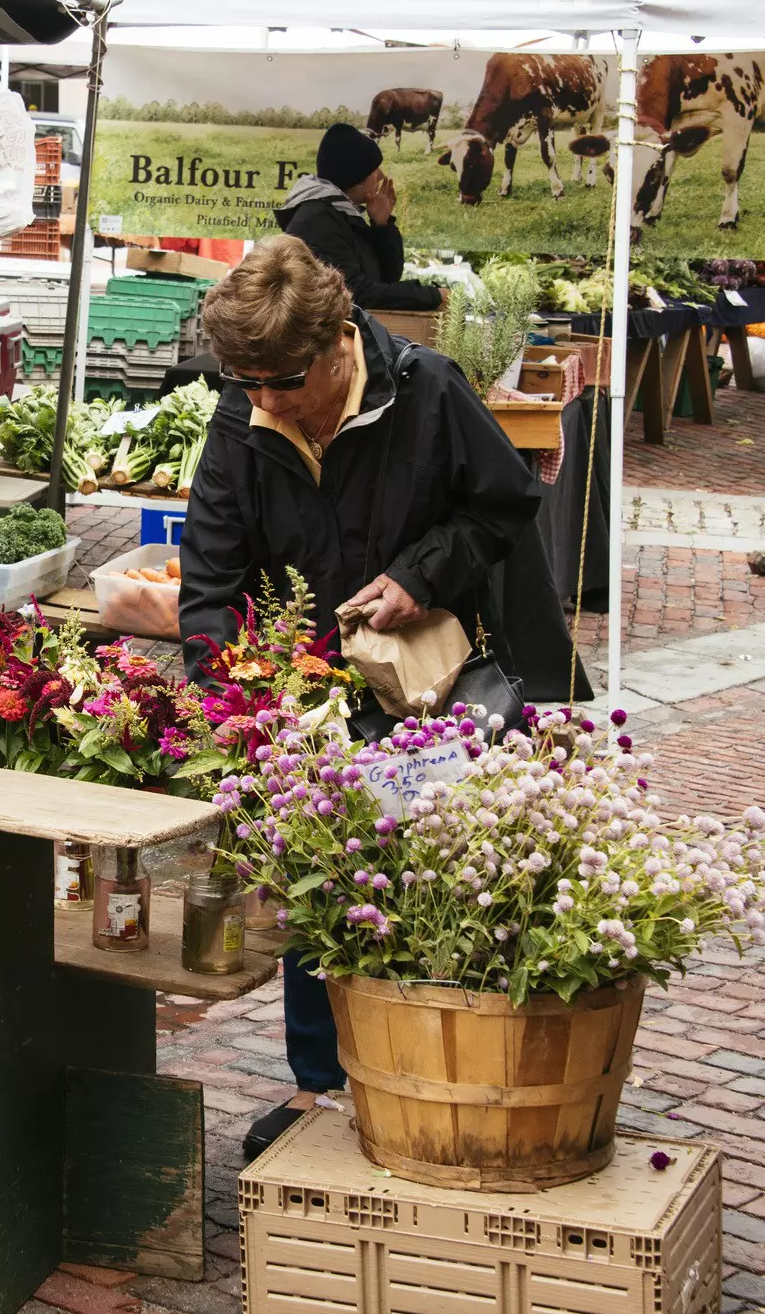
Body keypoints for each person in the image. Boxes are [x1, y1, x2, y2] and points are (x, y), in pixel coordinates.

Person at [178, 236, 582, 1159]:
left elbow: (504, 503)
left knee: (444, 881)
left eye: (283, 380)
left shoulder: (426, 390)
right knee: (318, 891)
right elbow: (207, 584)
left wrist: (419, 573)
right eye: (244, 382)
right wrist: (237, 703)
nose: (265, 401)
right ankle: (323, 1090)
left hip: (432, 690)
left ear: (335, 346)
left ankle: (453, 1076)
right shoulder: (243, 422)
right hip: (308, 698)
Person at [278, 122, 441, 313]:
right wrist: (433, 296)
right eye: (374, 170)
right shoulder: (317, 220)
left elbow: (388, 277)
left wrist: (382, 226)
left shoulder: (342, 213)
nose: (380, 176)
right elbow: (355, 294)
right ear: (357, 179)